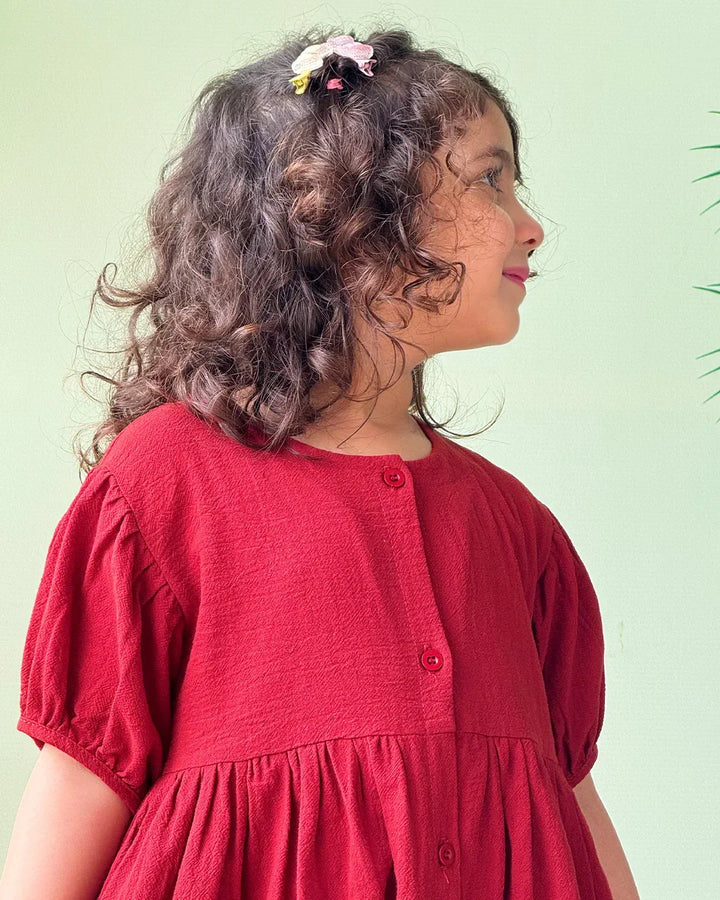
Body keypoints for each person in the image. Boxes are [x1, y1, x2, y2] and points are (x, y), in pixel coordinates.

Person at [0, 27, 640, 900]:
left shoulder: (514, 526)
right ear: (351, 218)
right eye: (491, 178)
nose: (530, 225)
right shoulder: (163, 485)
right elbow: (80, 787)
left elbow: (567, 809)